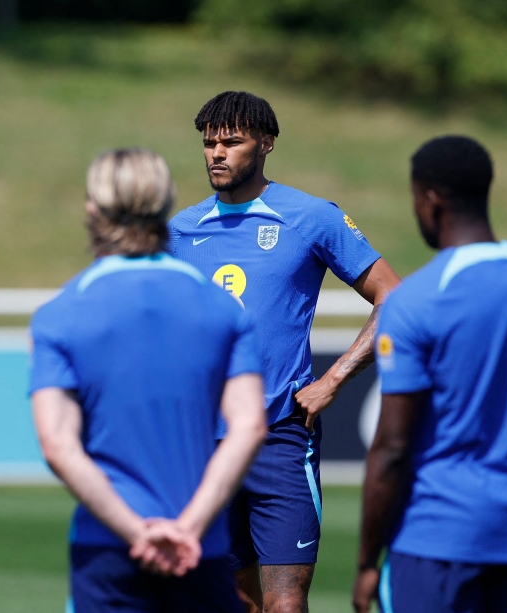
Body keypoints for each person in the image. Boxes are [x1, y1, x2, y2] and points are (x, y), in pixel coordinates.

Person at [167, 90, 401, 612]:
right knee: (228, 600)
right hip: (203, 445)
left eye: (232, 141)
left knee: (286, 604)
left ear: (266, 143)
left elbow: (394, 295)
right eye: (208, 143)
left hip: (281, 439)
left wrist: (335, 378)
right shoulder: (179, 231)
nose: (217, 153)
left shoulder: (311, 217)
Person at [352, 136, 507, 613]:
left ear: (430, 200)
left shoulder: (417, 300)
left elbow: (392, 448)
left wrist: (366, 562)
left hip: (433, 542)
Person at [30, 148, 268, 613]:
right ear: (166, 205)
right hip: (202, 546)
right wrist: (189, 527)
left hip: (107, 547)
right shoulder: (221, 307)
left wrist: (137, 532)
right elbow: (249, 427)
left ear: (92, 209)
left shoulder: (60, 314)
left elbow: (58, 445)